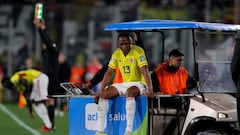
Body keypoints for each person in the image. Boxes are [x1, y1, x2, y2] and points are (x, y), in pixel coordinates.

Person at [95, 33, 154, 135]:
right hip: (124, 83)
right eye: (121, 44)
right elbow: (109, 72)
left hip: (139, 83)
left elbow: (145, 71)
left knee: (130, 92)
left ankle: (128, 131)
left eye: (126, 43)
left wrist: (150, 89)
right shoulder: (117, 53)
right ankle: (100, 131)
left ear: (130, 42)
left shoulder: (138, 51)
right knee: (104, 94)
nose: (124, 46)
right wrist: (100, 89)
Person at [33, 18, 59, 129]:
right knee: (50, 101)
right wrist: (43, 27)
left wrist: (39, 28)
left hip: (50, 77)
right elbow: (46, 39)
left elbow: (46, 39)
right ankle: (50, 124)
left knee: (48, 101)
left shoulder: (52, 49)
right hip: (49, 77)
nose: (43, 44)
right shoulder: (49, 50)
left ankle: (49, 124)